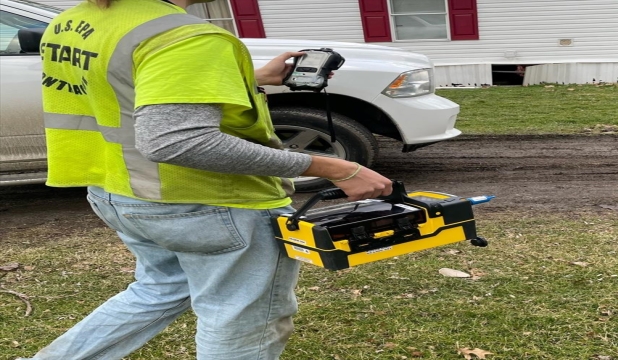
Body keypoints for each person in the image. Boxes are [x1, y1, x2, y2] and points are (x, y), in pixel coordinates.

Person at [21, 0, 392, 358]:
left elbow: (129, 85)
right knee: (240, 321)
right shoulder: (186, 37)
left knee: (158, 290)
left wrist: (248, 77)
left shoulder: (74, 21)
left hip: (119, 191)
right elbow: (177, 141)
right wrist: (337, 168)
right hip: (210, 204)